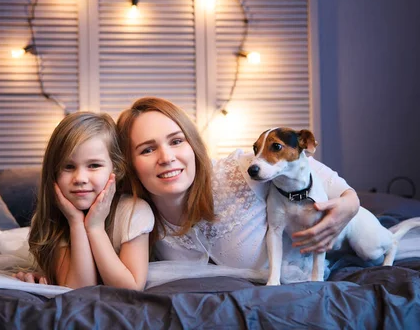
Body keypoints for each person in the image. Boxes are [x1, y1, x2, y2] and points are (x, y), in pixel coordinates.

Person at [116, 96, 360, 280]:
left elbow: (322, 178)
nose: (166, 157)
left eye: (177, 141)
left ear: (193, 146)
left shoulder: (242, 171)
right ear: (129, 162)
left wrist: (351, 204)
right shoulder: (134, 213)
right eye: (147, 149)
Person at [25, 111, 154, 290]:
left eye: (94, 165)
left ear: (115, 168)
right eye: (68, 167)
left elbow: (130, 289)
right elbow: (79, 289)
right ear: (53, 172)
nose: (80, 178)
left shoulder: (134, 212)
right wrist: (76, 223)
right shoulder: (54, 219)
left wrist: (95, 227)